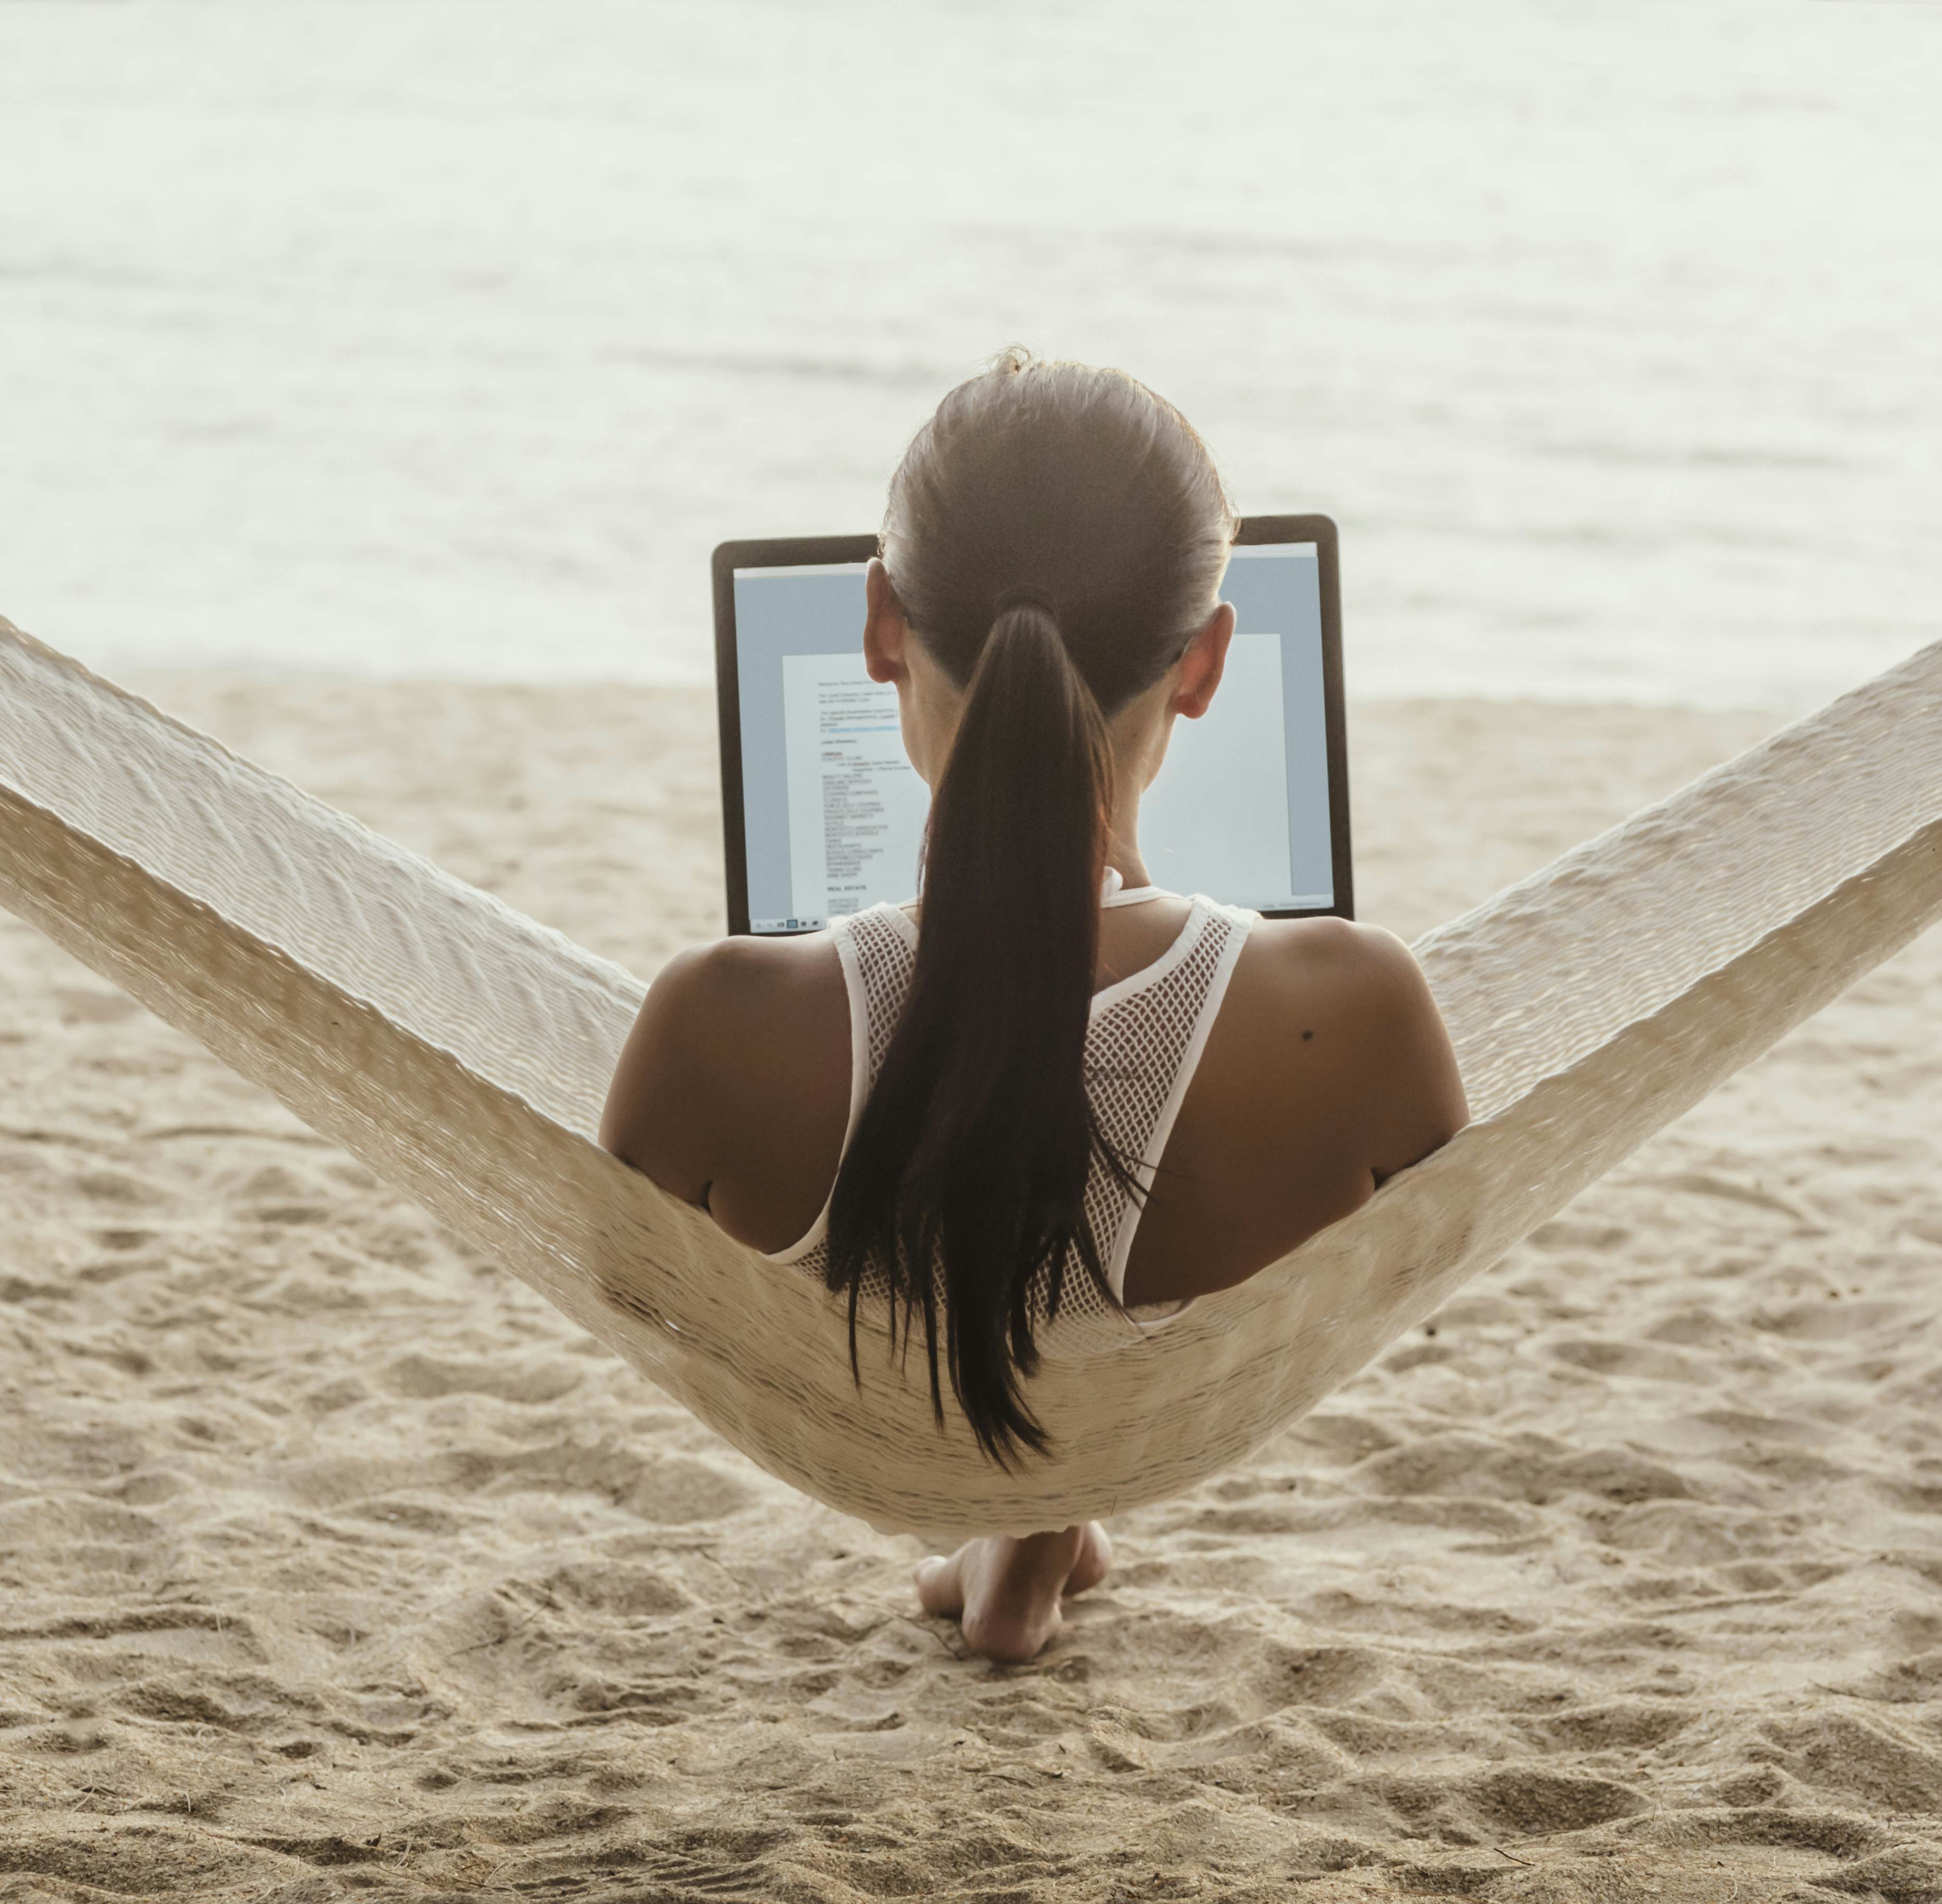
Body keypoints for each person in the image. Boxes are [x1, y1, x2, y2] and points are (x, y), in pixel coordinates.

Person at [600, 352, 1465, 1661]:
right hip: (1150, 1412)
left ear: (881, 624)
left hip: (894, 1427)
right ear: (1210, 662)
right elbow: (1418, 1270)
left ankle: (1029, 1532)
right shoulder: (1353, 1013)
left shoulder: (717, 1024)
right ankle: (1045, 1523)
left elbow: (637, 1290)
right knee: (1088, 1350)